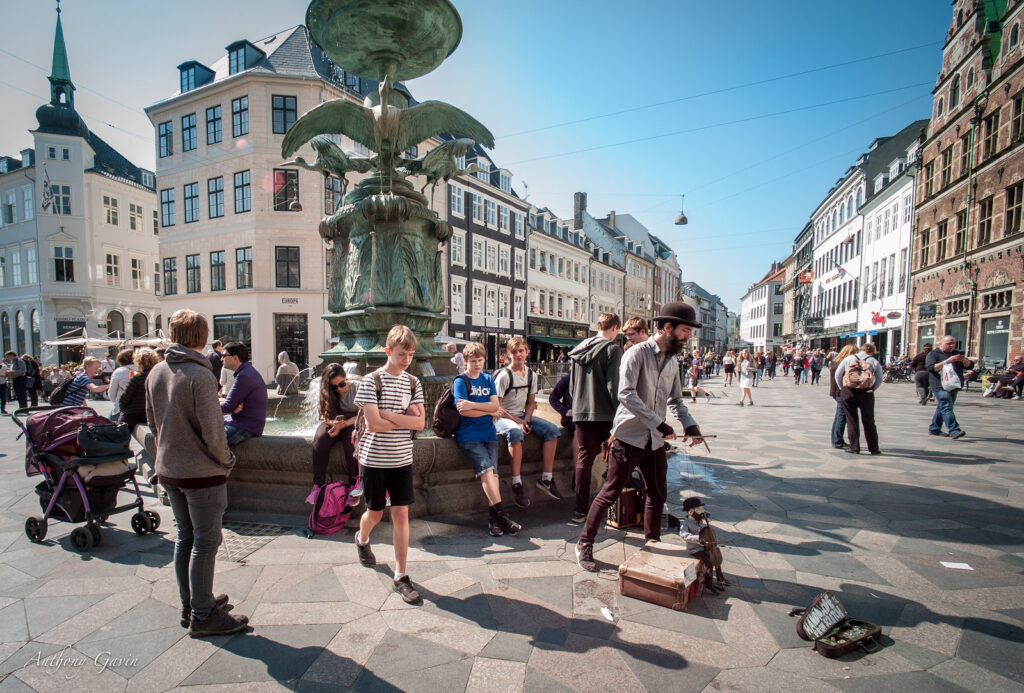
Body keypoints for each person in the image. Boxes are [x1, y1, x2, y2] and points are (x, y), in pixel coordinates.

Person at [575, 302, 706, 572]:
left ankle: (652, 544)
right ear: (667, 327)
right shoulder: (636, 353)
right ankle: (584, 544)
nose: (688, 336)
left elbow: (676, 400)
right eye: (685, 330)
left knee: (657, 494)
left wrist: (690, 425)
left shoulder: (672, 361)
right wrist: (657, 422)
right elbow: (626, 394)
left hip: (655, 440)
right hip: (628, 437)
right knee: (610, 492)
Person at [145, 310, 246, 637]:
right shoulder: (201, 376)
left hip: (170, 469)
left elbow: (152, 424)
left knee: (185, 537)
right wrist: (226, 460)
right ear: (202, 337)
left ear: (173, 335)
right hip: (201, 473)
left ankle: (192, 603)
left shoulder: (157, 372)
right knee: (206, 541)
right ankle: (204, 616)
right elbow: (214, 433)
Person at [353, 324, 426, 604]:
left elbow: (420, 423)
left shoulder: (413, 383)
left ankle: (401, 575)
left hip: (402, 459)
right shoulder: (371, 381)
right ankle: (362, 539)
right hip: (374, 460)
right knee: (373, 513)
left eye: (409, 354)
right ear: (388, 351)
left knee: (401, 514)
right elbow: (373, 424)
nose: (406, 359)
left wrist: (388, 414)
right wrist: (401, 418)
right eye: (401, 354)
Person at [454, 342, 521, 537]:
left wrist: (474, 406)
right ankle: (503, 516)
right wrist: (486, 408)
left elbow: (495, 408)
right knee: (486, 471)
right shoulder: (461, 381)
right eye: (473, 361)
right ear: (465, 362)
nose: (477, 364)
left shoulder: (487, 379)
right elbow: (463, 410)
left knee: (494, 475)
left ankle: (495, 521)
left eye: (480, 361)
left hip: (489, 434)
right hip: (469, 436)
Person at [567, 312, 622, 524]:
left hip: (581, 411)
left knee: (583, 460)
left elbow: (572, 385)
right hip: (605, 412)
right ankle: (612, 504)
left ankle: (580, 510)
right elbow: (612, 385)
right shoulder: (612, 349)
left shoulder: (578, 349)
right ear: (614, 328)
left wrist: (578, 404)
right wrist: (619, 411)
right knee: (618, 455)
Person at [494, 337, 562, 508]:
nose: (518, 355)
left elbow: (531, 403)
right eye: (514, 352)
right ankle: (517, 483)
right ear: (508, 354)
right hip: (502, 418)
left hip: (522, 416)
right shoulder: (504, 376)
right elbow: (496, 408)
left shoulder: (531, 375)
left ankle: (546, 478)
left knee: (552, 431)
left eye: (521, 351)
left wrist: (527, 420)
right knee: (515, 433)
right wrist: (519, 423)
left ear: (526, 352)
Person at [309, 362, 361, 503]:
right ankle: (317, 485)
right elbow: (323, 416)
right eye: (334, 386)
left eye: (342, 384)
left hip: (351, 422)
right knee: (320, 440)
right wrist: (334, 424)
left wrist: (344, 424)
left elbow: (361, 415)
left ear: (346, 378)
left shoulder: (357, 387)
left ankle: (354, 484)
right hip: (333, 421)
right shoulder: (326, 391)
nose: (339, 389)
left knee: (351, 441)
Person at [834, 342, 884, 455]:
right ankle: (873, 448)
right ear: (872, 352)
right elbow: (880, 379)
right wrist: (871, 389)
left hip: (849, 392)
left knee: (852, 420)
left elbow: (837, 374)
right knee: (869, 421)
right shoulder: (873, 361)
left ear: (860, 349)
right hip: (866, 393)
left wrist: (843, 388)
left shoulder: (849, 358)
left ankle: (855, 447)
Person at [219, 342, 267, 448]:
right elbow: (230, 405)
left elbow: (228, 406)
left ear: (235, 358)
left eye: (224, 356)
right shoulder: (247, 372)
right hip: (246, 423)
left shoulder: (244, 376)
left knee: (211, 443)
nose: (221, 359)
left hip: (245, 426)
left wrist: (207, 405)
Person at [926, 334, 973, 440]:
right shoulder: (933, 354)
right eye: (948, 343)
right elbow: (931, 368)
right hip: (939, 385)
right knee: (946, 406)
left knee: (942, 407)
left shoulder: (957, 354)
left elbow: (969, 366)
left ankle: (934, 428)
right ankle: (954, 430)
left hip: (954, 385)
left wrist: (964, 360)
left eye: (953, 343)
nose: (951, 346)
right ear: (941, 343)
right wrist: (947, 361)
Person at [678, 497, 723, 595]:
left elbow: (703, 529)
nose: (702, 511)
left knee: (714, 558)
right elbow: (684, 535)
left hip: (702, 547)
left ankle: (719, 579)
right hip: (694, 549)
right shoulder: (686, 523)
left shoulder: (698, 520)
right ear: (690, 512)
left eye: (702, 509)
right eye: (699, 509)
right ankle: (708, 585)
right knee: (709, 563)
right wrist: (698, 539)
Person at [119, 348, 159, 432]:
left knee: (120, 433)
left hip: (134, 413)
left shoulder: (137, 378)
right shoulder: (158, 377)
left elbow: (124, 399)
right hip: (153, 414)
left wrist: (123, 409)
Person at [828, 345, 857, 449]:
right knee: (842, 416)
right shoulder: (844, 363)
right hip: (841, 392)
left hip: (836, 392)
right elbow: (839, 378)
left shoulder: (836, 362)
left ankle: (835, 438)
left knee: (839, 416)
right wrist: (842, 389)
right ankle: (837, 441)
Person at [107, 348, 136, 420]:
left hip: (122, 408)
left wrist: (116, 401)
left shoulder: (119, 371)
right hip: (140, 407)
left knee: (109, 424)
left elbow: (112, 393)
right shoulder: (141, 369)